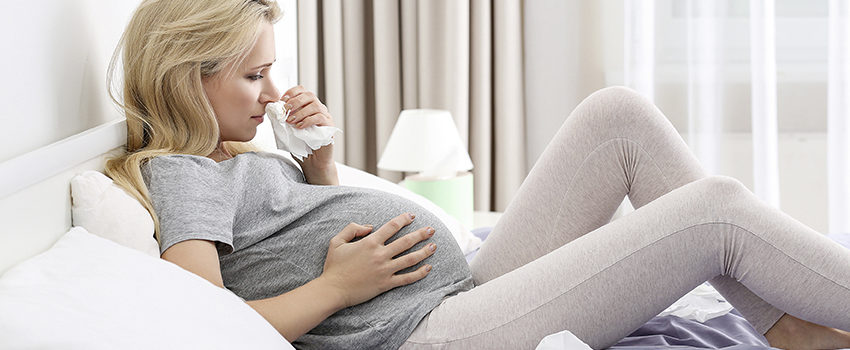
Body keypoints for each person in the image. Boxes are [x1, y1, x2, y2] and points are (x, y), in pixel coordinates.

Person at [104, 0, 850, 349]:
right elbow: (205, 332)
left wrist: (320, 166)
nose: (272, 93)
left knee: (616, 118)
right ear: (183, 77)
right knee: (713, 211)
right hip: (432, 335)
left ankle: (782, 325)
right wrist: (335, 288)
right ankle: (790, 324)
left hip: (460, 291)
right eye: (254, 76)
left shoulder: (235, 157)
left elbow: (305, 236)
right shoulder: (182, 173)